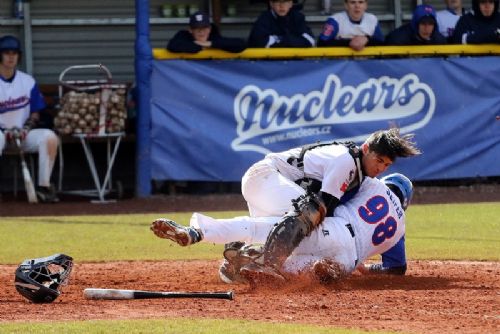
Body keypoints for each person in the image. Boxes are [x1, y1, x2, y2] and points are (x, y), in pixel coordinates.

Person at [150, 173, 414, 284]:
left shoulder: (373, 185)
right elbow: (396, 268)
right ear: (406, 202)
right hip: (349, 259)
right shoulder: (400, 226)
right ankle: (311, 269)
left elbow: (335, 200)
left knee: (259, 228)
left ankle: (199, 232)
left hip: (335, 230)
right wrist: (368, 267)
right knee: (296, 274)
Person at [0, 35, 59, 203]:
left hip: (22, 133)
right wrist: (5, 131)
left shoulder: (27, 81)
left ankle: (44, 186)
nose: (11, 57)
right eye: (6, 53)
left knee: (49, 137)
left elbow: (35, 112)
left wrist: (26, 128)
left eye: (14, 53)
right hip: (1, 134)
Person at [317, 0, 384, 51]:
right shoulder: (335, 20)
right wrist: (349, 42)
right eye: (352, 2)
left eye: (361, 2)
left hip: (366, 63)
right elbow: (321, 43)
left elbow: (381, 43)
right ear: (346, 5)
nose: (357, 6)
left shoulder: (372, 19)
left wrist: (367, 39)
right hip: (339, 64)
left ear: (366, 5)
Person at [167, 11, 247, 53]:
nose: (201, 32)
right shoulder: (183, 35)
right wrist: (200, 46)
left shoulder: (214, 37)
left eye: (204, 28)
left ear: (210, 29)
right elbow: (172, 46)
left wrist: (211, 44)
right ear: (190, 30)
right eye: (197, 28)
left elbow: (241, 44)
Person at [248, 0, 315, 48]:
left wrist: (281, 40)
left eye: (285, 1)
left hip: (294, 61)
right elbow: (258, 42)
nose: (281, 6)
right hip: (269, 62)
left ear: (290, 4)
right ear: (271, 4)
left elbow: (311, 41)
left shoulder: (297, 17)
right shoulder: (264, 18)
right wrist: (291, 41)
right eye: (278, 1)